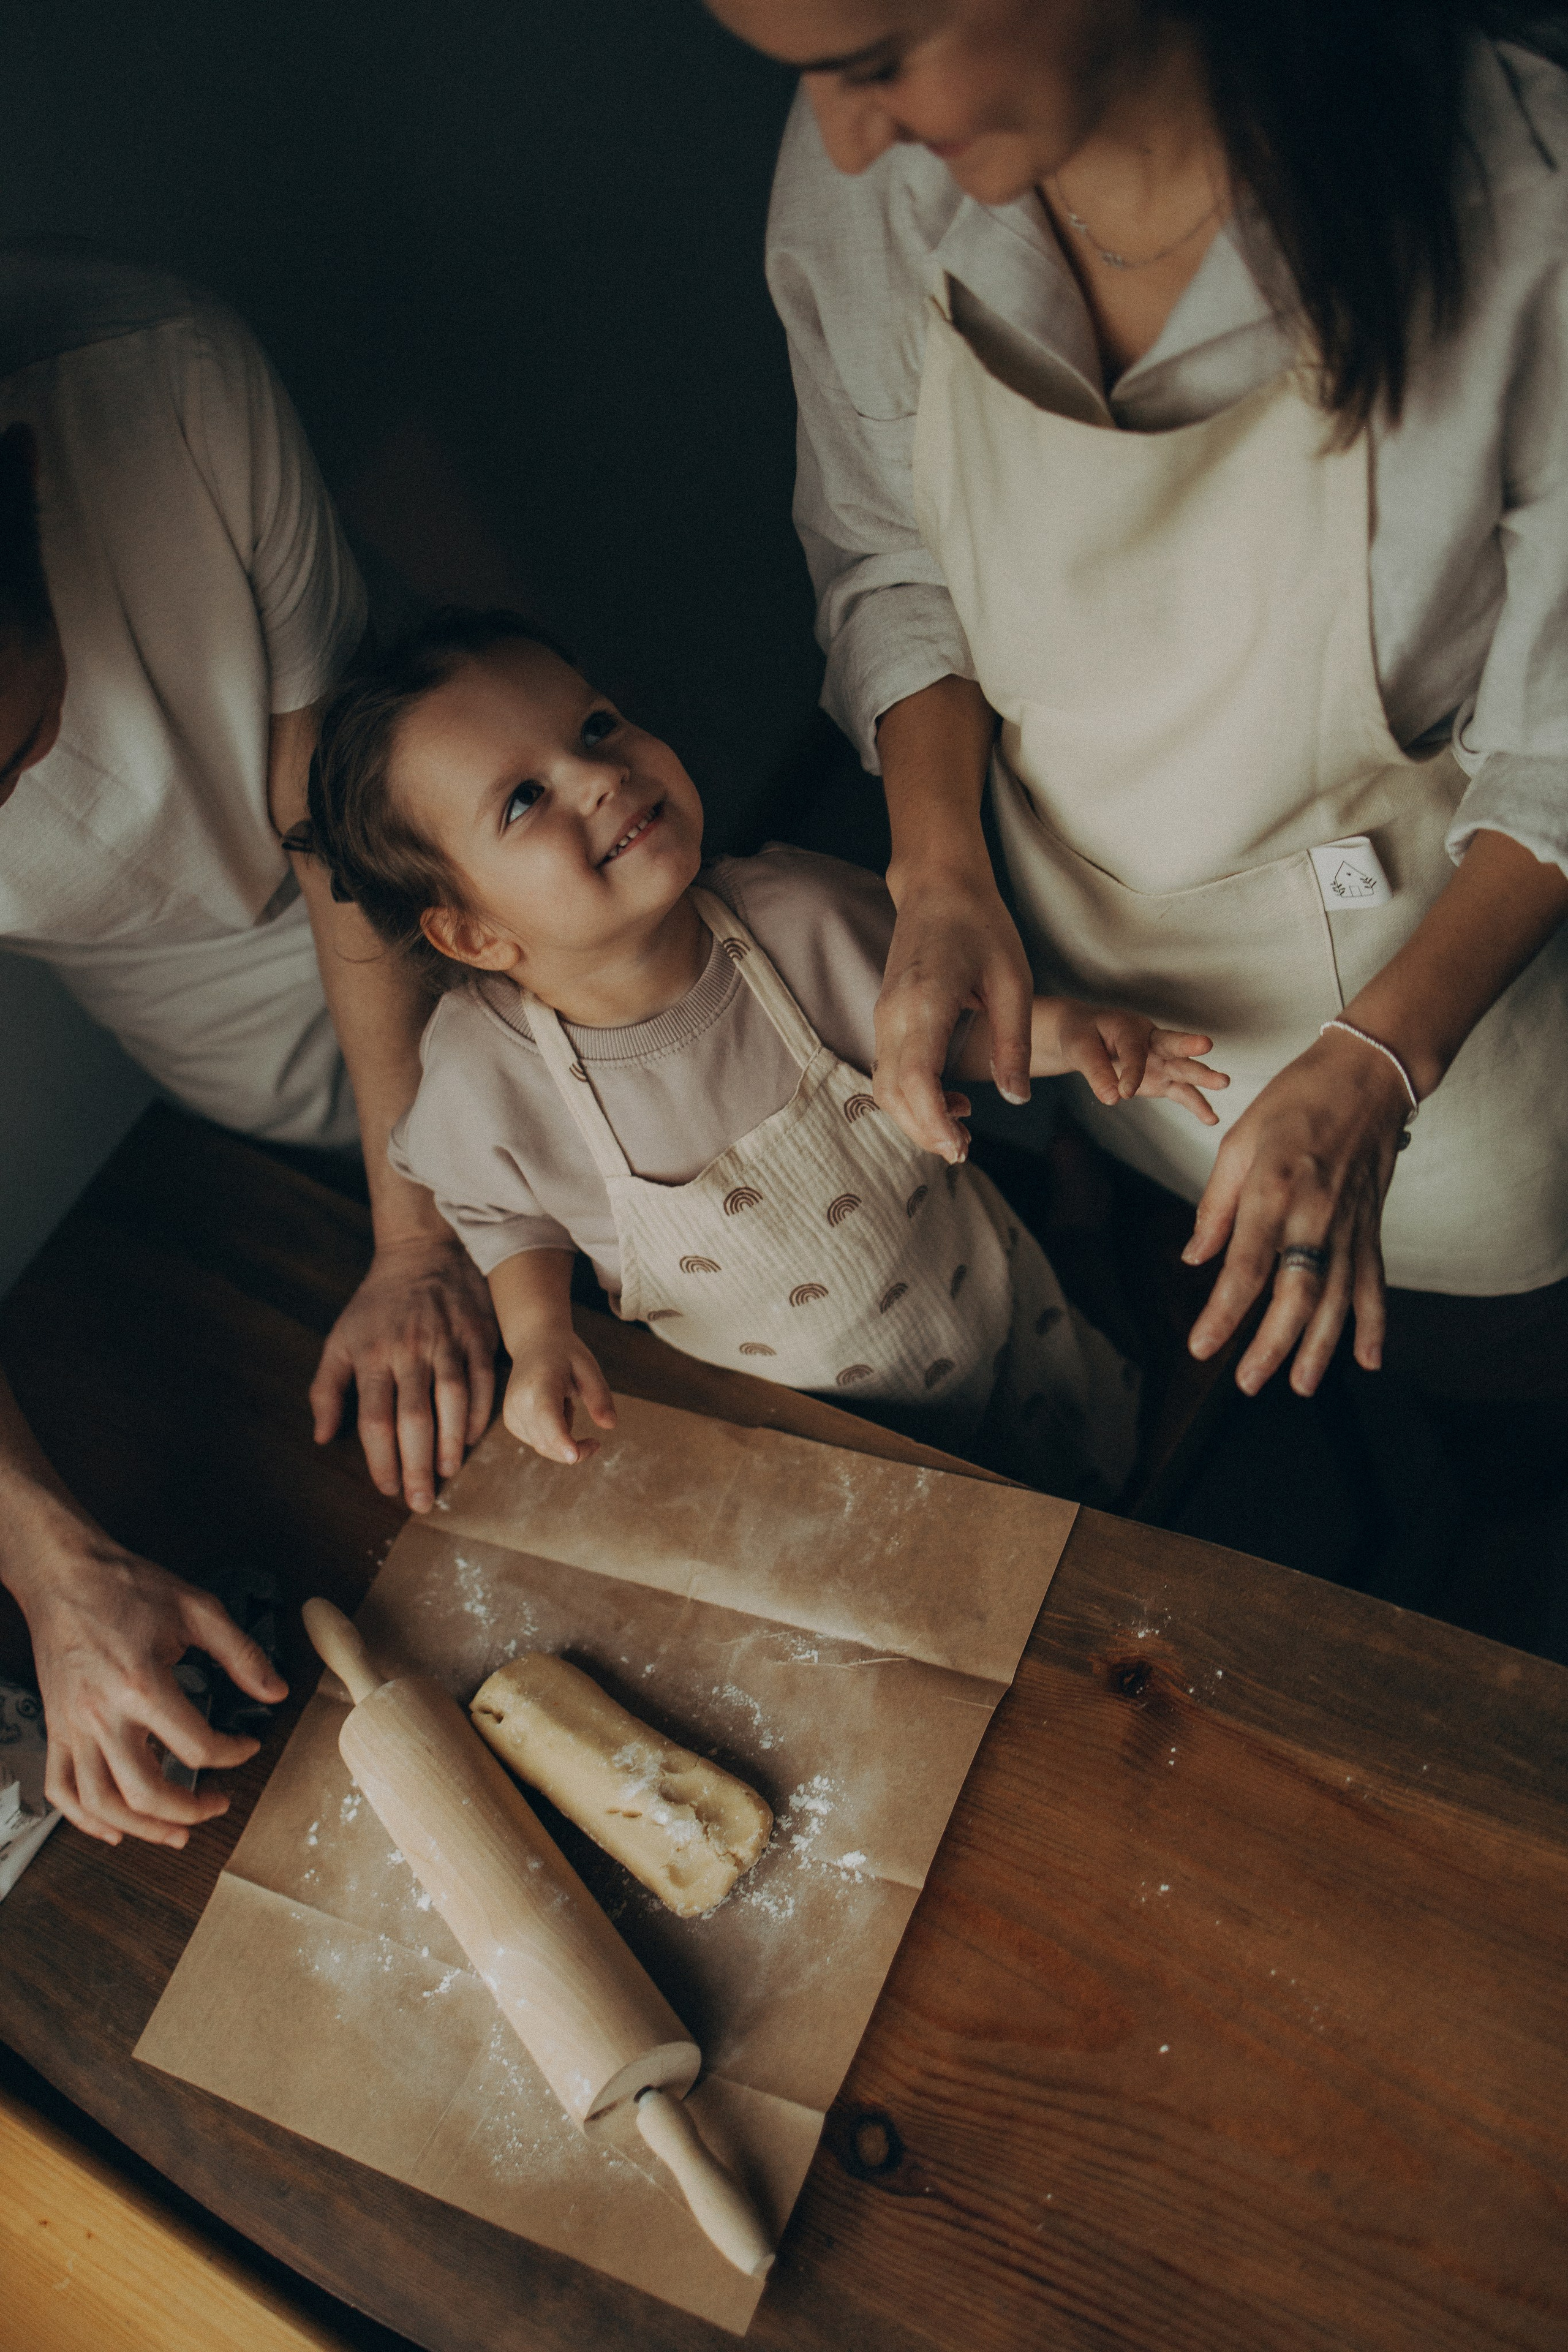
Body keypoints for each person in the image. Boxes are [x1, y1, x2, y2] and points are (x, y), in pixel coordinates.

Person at [706, 0, 1568, 1413]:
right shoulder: (869, 171)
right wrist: (935, 877)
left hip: (1437, 1031)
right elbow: (886, 557)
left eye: (873, 67)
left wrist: (1370, 1073)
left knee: (1490, 1398)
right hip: (1094, 988)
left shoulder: (1516, 200)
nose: (842, 133)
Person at [290, 608, 1230, 1495]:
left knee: (1091, 1434)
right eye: (526, 799)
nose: (598, 776)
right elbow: (506, 1217)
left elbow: (936, 1035)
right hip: (805, 1420)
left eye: (596, 728)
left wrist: (1070, 1036)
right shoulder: (482, 1078)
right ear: (471, 936)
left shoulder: (799, 917)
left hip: (979, 1302)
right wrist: (536, 1339)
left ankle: (1084, 1235)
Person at [0, 250, 497, 1850]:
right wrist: (53, 1571)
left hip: (436, 877)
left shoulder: (160, 378)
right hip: (223, 1058)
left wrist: (416, 1226)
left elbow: (331, 824)